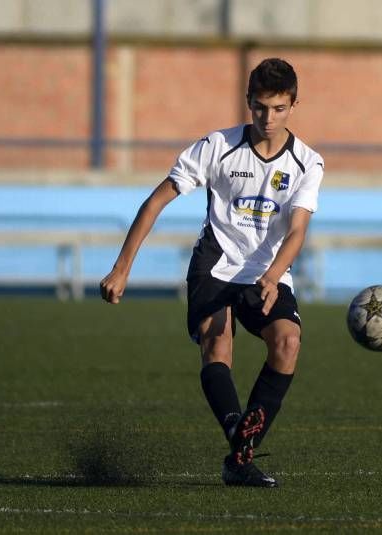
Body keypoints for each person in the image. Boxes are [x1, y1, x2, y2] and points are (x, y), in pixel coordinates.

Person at [99, 58, 324, 488]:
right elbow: (155, 202)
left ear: (294, 105)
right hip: (214, 267)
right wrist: (121, 268)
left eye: (279, 108)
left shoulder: (307, 164)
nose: (268, 118)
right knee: (216, 341)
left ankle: (240, 452)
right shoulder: (217, 146)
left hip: (267, 272)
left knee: (289, 342)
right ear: (248, 103)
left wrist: (274, 275)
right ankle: (241, 450)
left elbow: (298, 230)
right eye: (260, 108)